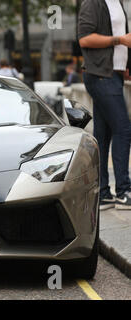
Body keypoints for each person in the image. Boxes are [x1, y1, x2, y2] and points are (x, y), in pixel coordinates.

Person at [78, 0, 131, 210]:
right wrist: (120, 40)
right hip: (100, 75)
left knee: (103, 134)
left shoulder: (117, 2)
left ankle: (102, 194)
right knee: (124, 129)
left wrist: (125, 66)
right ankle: (124, 191)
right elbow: (85, 39)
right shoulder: (92, 3)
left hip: (113, 74)